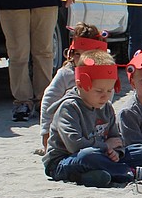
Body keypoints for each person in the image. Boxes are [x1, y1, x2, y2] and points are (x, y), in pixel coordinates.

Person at [43, 50, 142, 187]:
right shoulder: (69, 108)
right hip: (64, 161)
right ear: (80, 85)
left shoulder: (106, 107)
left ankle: (97, 175)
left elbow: (117, 139)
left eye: (109, 91)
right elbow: (74, 145)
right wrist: (106, 146)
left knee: (141, 152)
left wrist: (117, 152)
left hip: (101, 154)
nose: (105, 96)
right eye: (99, 91)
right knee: (88, 155)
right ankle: (129, 172)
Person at [39, 23, 108, 151]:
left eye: (87, 55)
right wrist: (45, 130)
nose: (81, 59)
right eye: (77, 54)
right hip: (67, 124)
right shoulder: (66, 73)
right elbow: (49, 99)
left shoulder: (104, 76)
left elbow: (105, 105)